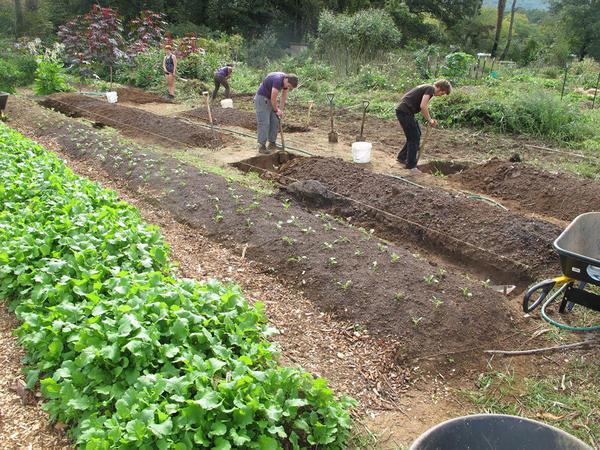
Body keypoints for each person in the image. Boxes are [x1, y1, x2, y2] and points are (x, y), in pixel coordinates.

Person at [396, 79, 452, 173]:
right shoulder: (430, 89)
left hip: (405, 111)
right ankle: (411, 166)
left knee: (416, 134)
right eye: (442, 93)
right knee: (414, 138)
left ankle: (402, 157)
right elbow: (423, 105)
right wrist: (429, 120)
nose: (440, 95)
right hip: (404, 112)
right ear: (439, 88)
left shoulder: (426, 87)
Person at [255, 72, 299, 154]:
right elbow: (273, 97)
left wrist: (281, 110)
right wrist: (276, 110)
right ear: (286, 79)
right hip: (262, 99)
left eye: (290, 87)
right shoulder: (277, 80)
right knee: (264, 122)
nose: (287, 87)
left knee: (275, 120)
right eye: (288, 85)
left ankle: (272, 143)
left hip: (270, 99)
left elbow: (284, 95)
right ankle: (262, 146)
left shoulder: (285, 81)